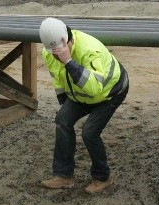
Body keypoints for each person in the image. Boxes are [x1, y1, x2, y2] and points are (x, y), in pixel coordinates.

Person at [38, 17, 129, 194]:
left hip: (109, 92)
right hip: (81, 93)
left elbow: (95, 89)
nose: (56, 56)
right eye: (53, 53)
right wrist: (65, 104)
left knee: (90, 132)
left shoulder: (89, 50)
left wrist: (69, 62)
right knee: (62, 120)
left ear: (69, 41)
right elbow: (58, 79)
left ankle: (102, 177)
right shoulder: (49, 52)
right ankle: (64, 176)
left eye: (59, 52)